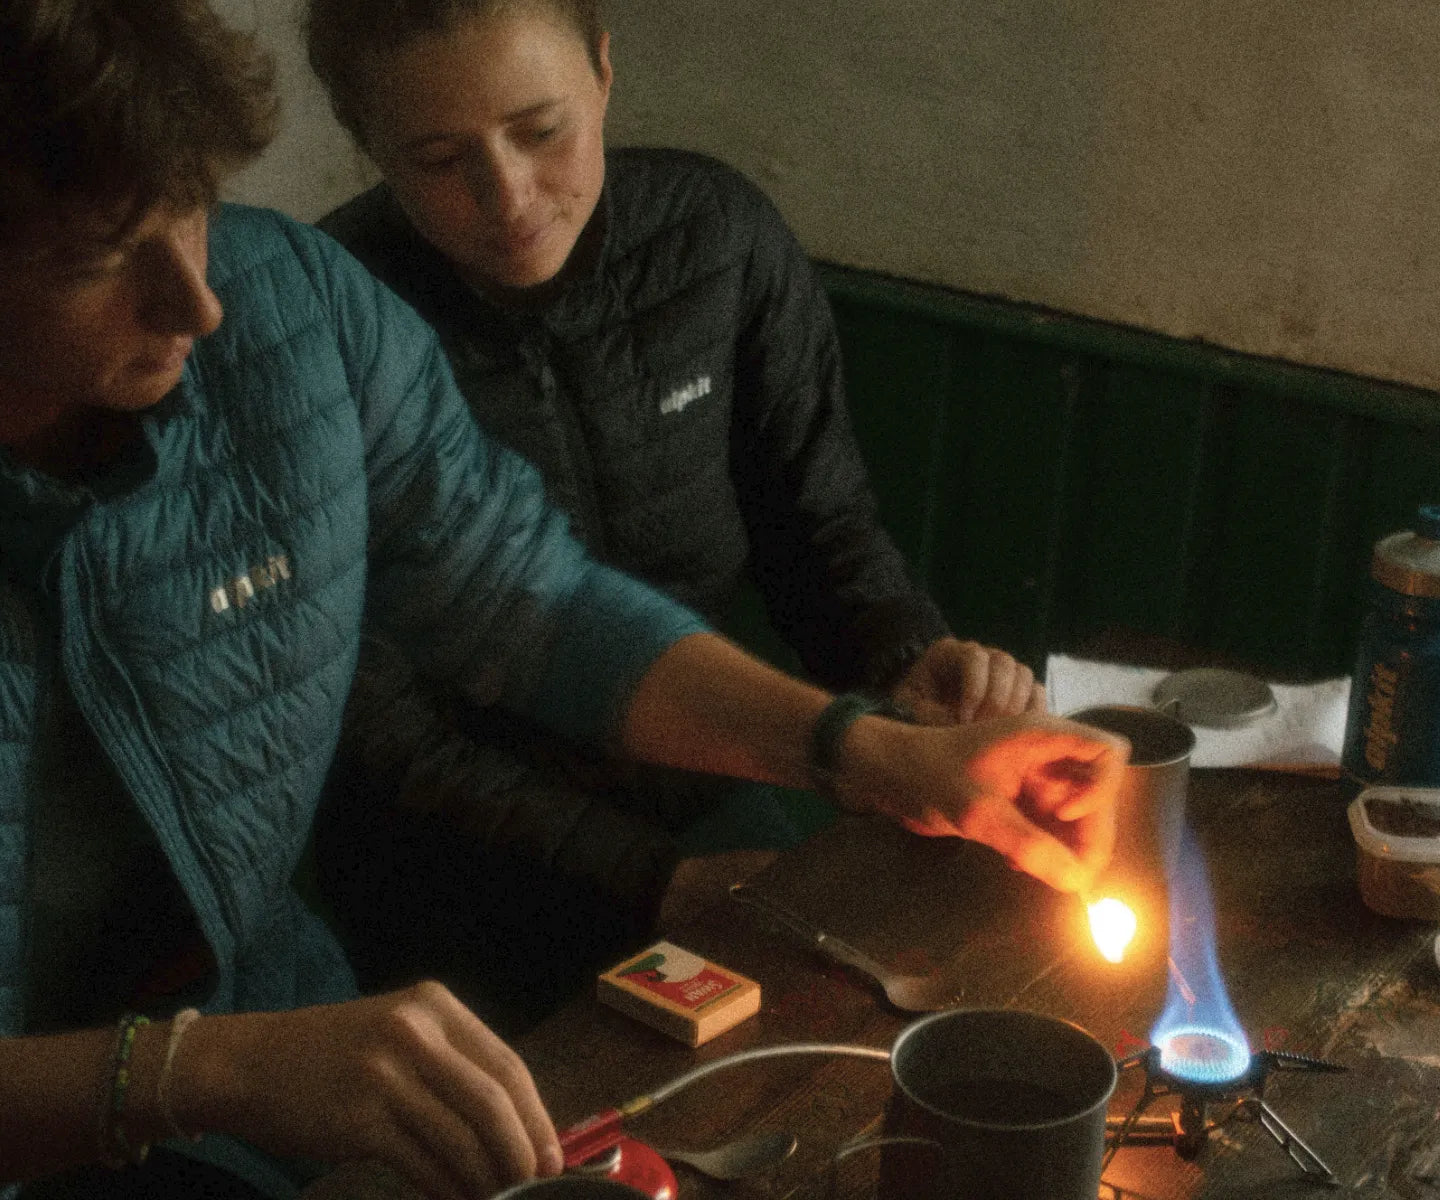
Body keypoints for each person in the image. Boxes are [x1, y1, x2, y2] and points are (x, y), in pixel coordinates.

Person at [0, 1, 1125, 1197]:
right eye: (96, 259)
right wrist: (196, 1074)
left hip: (269, 1028)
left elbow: (527, 602)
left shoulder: (294, 307)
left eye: (192, 209)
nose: (196, 303)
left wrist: (871, 752)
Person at [303, 0, 1048, 1023]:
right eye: (438, 158)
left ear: (604, 72)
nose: (508, 195)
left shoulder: (714, 239)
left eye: (541, 130)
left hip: (707, 784)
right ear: (364, 136)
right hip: (450, 866)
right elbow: (377, 729)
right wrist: (649, 879)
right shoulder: (326, 323)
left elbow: (820, 531)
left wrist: (908, 659)